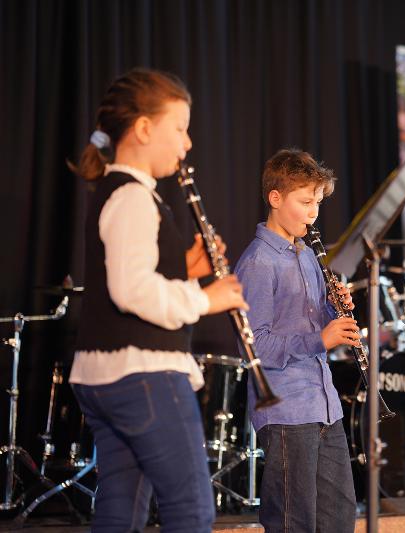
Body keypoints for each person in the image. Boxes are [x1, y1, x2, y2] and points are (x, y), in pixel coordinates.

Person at [69, 68, 247, 532]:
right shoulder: (132, 197)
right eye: (180, 129)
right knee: (191, 510)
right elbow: (132, 292)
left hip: (106, 376)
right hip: (143, 376)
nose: (187, 144)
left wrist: (187, 270)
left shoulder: (119, 192)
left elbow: (127, 277)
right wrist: (208, 297)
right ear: (145, 128)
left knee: (120, 515)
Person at [234, 148, 359, 533]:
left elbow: (310, 320)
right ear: (275, 198)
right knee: (293, 523)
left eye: (317, 202)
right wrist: (320, 339)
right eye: (305, 202)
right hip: (287, 411)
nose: (313, 212)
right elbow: (255, 347)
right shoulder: (258, 262)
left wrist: (334, 312)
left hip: (325, 405)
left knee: (339, 518)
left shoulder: (306, 255)